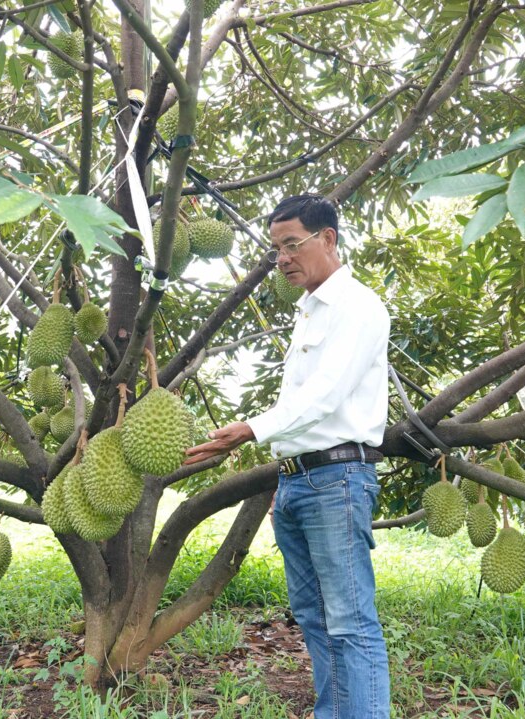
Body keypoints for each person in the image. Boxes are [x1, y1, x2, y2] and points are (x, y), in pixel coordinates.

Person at [185, 194, 391, 719]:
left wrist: (248, 431)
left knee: (349, 620)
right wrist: (284, 470)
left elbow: (326, 396)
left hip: (338, 477)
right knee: (314, 618)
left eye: (292, 245)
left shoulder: (357, 306)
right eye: (276, 248)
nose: (281, 259)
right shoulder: (310, 311)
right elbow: (299, 408)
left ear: (328, 239)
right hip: (300, 481)